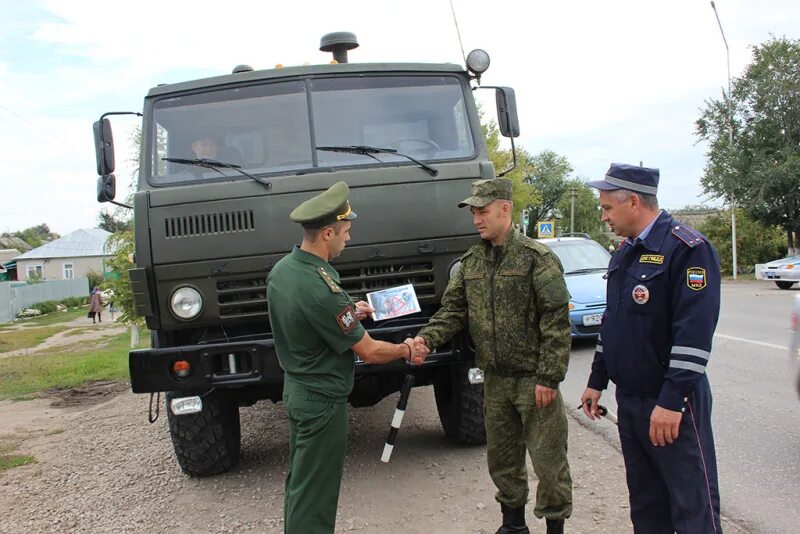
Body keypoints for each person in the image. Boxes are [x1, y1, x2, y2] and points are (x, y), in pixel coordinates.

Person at [267, 181, 428, 534]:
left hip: (299, 391)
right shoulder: (321, 288)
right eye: (345, 232)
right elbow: (369, 350)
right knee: (317, 495)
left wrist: (349, 313)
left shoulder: (285, 271)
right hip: (322, 401)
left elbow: (305, 321)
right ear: (327, 232)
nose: (348, 239)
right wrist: (405, 349)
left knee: (302, 485)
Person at [413, 178, 573, 534]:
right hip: (495, 380)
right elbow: (452, 311)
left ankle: (555, 527)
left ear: (505, 209)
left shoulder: (537, 259)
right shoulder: (471, 262)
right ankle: (513, 525)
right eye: (473, 213)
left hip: (534, 381)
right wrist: (425, 340)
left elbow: (557, 320)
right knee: (502, 459)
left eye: (483, 211)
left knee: (549, 461)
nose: (476, 220)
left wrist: (549, 376)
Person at [580, 163, 722, 533]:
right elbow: (614, 322)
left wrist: (672, 401)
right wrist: (597, 379)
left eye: (608, 208)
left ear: (634, 202)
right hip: (632, 401)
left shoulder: (687, 249)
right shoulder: (625, 252)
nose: (604, 216)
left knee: (693, 509)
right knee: (646, 506)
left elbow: (693, 336)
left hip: (671, 405)